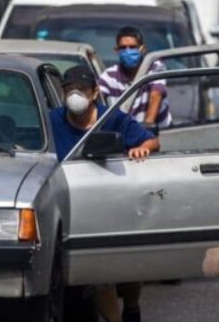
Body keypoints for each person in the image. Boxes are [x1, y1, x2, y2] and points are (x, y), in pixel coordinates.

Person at [50, 66, 158, 322]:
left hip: (114, 201)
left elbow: (151, 141)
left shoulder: (113, 119)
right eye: (69, 90)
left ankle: (132, 307)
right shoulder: (52, 120)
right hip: (73, 206)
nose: (74, 95)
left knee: (129, 267)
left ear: (95, 93)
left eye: (81, 90)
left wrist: (141, 149)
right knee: (99, 274)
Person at [98, 26, 172, 128]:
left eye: (132, 47)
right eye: (123, 48)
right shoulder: (108, 77)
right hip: (124, 134)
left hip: (159, 132)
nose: (128, 51)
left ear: (142, 49)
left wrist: (148, 127)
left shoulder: (155, 68)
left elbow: (156, 95)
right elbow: (98, 102)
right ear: (116, 50)